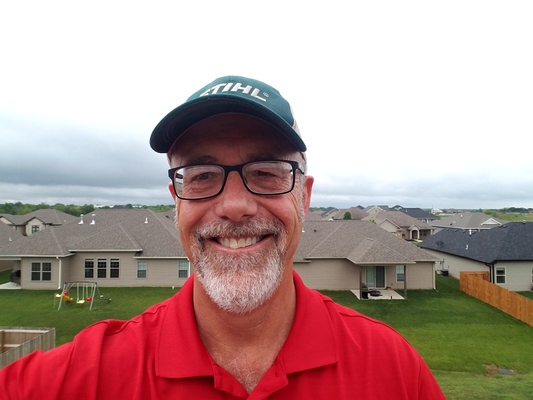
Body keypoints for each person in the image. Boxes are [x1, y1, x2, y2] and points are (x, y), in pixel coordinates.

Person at [0, 76, 445, 399]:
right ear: (176, 199)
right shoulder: (79, 379)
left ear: (304, 197)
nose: (234, 205)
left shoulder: (392, 369)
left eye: (266, 172)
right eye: (201, 175)